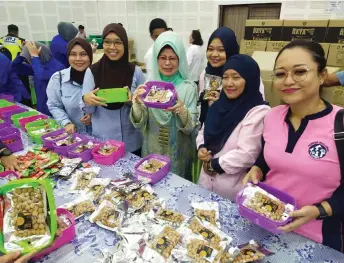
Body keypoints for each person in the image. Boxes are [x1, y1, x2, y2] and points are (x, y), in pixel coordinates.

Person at [242, 40, 344, 252]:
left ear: (322, 75)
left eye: (300, 72)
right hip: (265, 225)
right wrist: (258, 167)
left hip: (316, 238)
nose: (288, 81)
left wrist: (318, 211)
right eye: (280, 74)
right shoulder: (272, 116)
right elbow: (267, 157)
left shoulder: (340, 124)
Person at [197, 55, 270, 200]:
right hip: (205, 182)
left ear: (249, 80)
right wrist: (201, 147)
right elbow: (203, 131)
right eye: (225, 77)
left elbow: (247, 154)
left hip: (233, 190)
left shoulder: (258, 111)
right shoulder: (218, 106)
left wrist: (214, 164)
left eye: (236, 77)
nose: (229, 83)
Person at [131, 31, 199, 180]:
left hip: (179, 155)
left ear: (180, 59)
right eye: (162, 58)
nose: (167, 63)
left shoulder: (188, 88)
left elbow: (190, 128)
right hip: (152, 152)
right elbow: (139, 123)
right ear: (156, 59)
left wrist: (181, 110)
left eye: (172, 58)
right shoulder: (149, 87)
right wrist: (136, 104)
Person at [82, 23, 145, 154]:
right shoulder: (93, 72)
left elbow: (145, 108)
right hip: (104, 142)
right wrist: (86, 99)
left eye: (118, 42)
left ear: (125, 44)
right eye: (107, 42)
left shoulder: (136, 71)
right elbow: (88, 110)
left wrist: (134, 100)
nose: (112, 47)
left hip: (132, 141)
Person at [47, 38, 93, 135]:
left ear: (90, 55)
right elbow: (54, 105)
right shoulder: (58, 79)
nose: (78, 59)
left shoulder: (99, 76)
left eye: (83, 54)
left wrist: (95, 116)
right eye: (73, 54)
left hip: (99, 138)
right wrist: (66, 122)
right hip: (73, 138)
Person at [12, 41, 64, 115]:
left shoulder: (58, 67)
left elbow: (42, 76)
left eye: (30, 57)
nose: (30, 60)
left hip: (55, 111)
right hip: (42, 108)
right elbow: (16, 68)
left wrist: (34, 57)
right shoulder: (38, 65)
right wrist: (22, 54)